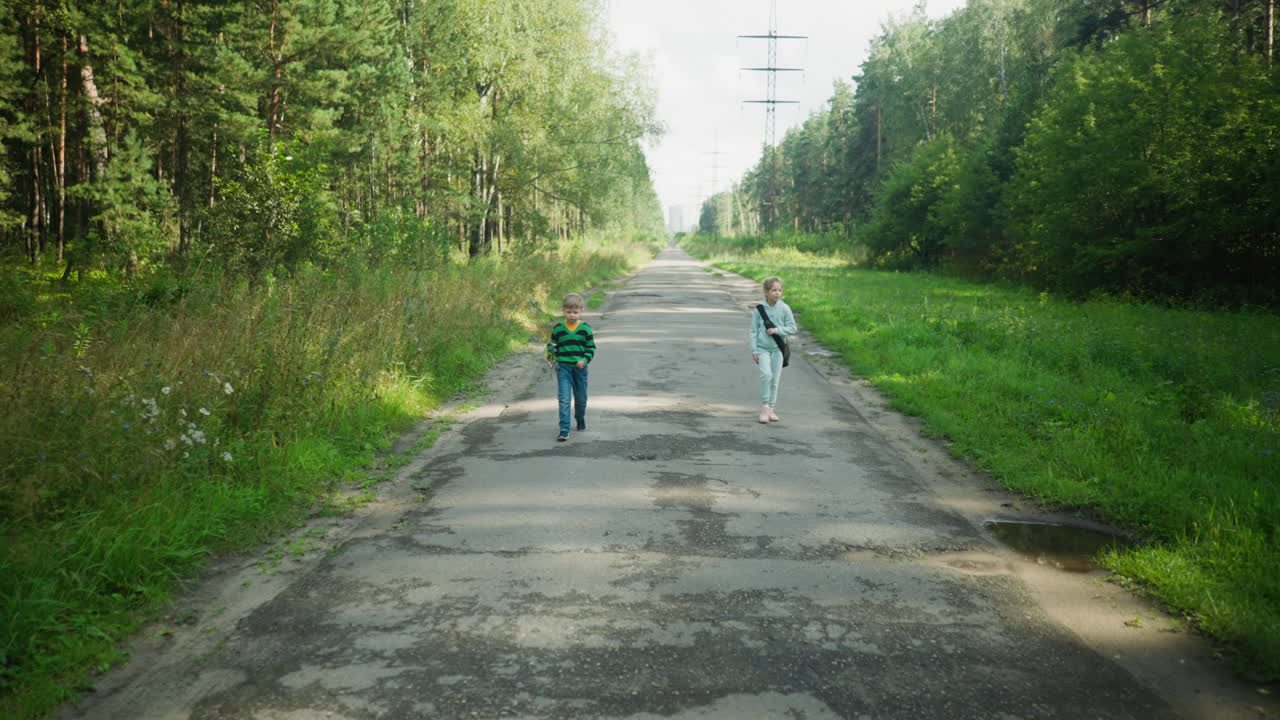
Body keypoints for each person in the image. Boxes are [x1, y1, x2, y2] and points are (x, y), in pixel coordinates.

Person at [547, 293, 596, 441]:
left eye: (575, 312)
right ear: (564, 311)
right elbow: (552, 346)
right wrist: (552, 358)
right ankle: (564, 429)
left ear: (581, 311)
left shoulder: (585, 329)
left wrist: (584, 360)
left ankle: (580, 419)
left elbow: (591, 348)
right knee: (564, 399)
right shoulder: (558, 329)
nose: (572, 315)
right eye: (569, 312)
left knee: (581, 399)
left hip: (580, 369)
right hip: (563, 368)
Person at [749, 276, 796, 424]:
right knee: (766, 375)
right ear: (766, 292)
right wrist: (754, 350)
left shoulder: (784, 308)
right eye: (774, 290)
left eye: (779, 290)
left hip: (778, 350)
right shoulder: (759, 309)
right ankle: (764, 408)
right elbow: (753, 331)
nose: (777, 293)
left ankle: (771, 409)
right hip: (762, 349)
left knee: (775, 380)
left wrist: (777, 330)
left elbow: (792, 328)